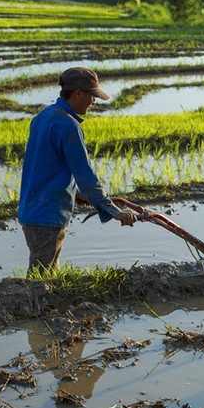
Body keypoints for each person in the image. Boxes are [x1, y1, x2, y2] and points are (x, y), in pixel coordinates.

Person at [18, 67, 137, 270]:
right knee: (41, 280)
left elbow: (47, 167)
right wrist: (112, 210)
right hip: (47, 214)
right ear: (78, 93)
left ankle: (47, 302)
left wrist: (76, 194)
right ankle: (31, 302)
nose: (94, 102)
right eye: (92, 96)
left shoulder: (44, 117)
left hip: (33, 209)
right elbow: (85, 173)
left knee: (47, 273)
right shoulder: (68, 126)